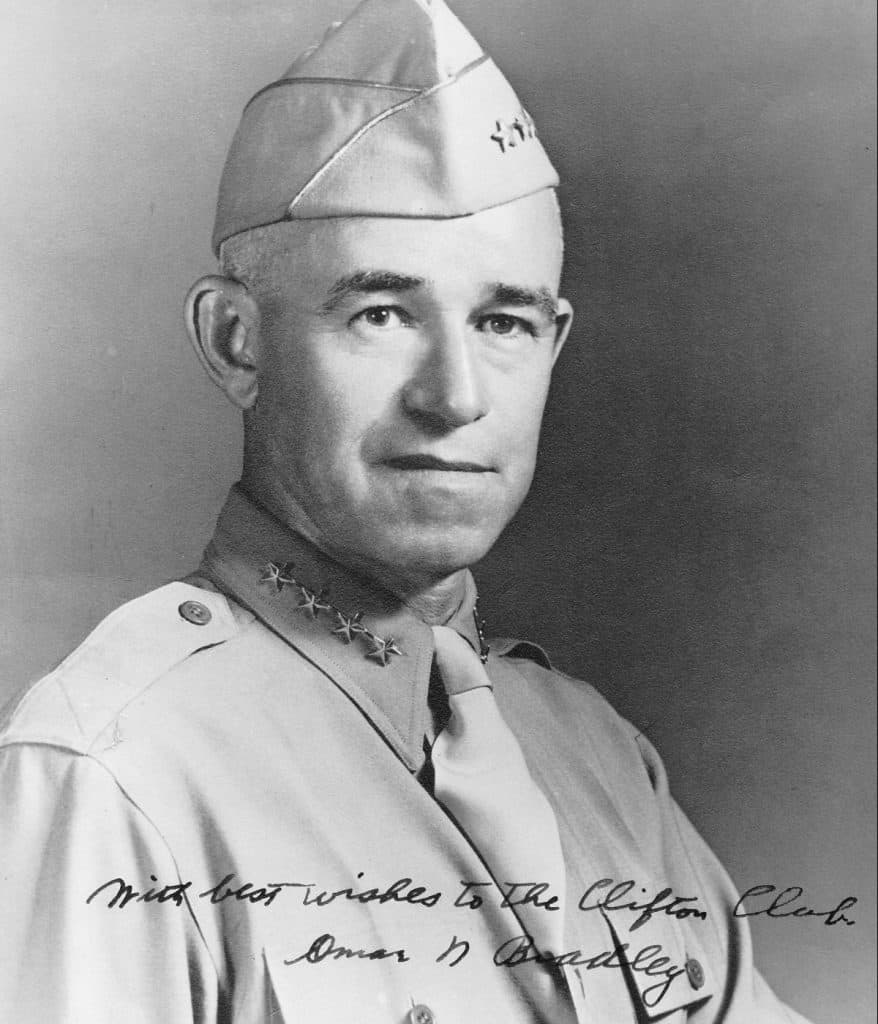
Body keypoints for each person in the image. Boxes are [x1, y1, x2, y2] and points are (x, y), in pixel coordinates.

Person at [0, 1, 813, 1021]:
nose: (455, 395)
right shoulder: (116, 777)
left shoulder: (597, 756)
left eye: (502, 320)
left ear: (552, 348)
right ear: (236, 342)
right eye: (380, 314)